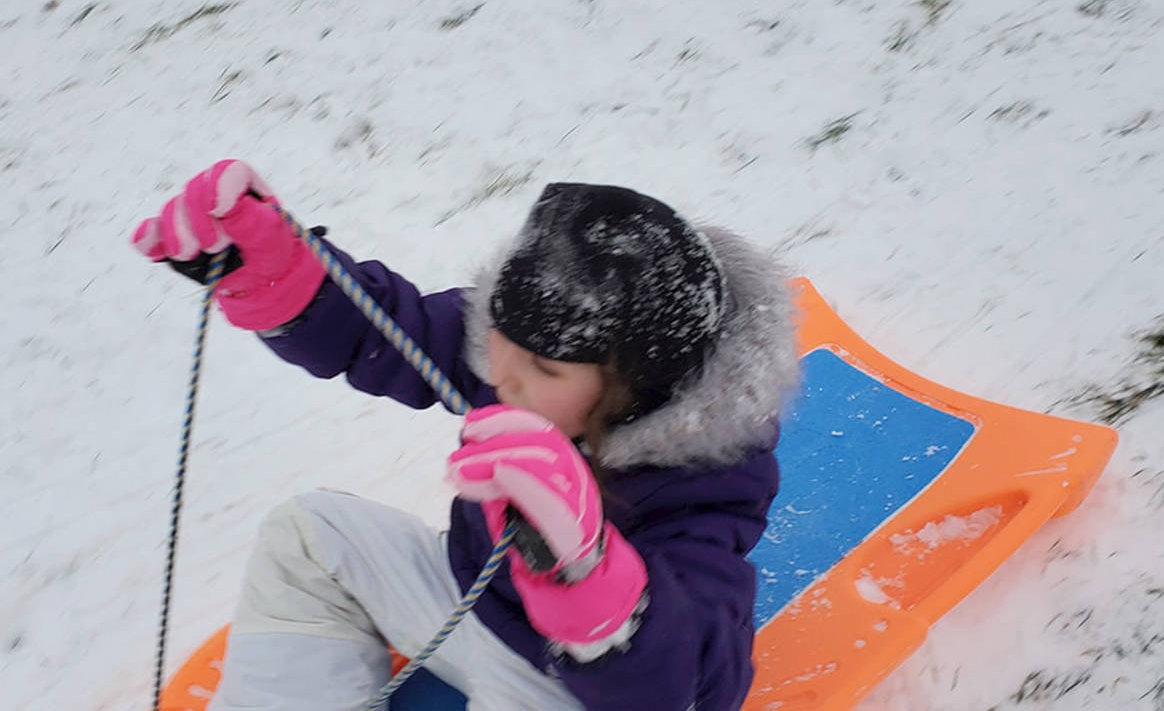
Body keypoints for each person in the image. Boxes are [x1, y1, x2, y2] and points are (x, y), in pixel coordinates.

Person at [133, 159, 799, 711]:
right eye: (499, 339)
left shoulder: (707, 480)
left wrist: (588, 574)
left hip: (567, 681)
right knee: (311, 533)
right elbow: (388, 331)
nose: (501, 372)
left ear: (630, 389)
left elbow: (701, 680)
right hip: (467, 597)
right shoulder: (516, 356)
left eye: (541, 367)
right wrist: (283, 269)